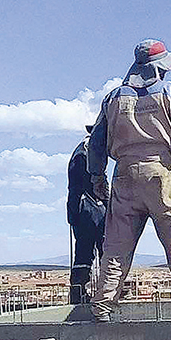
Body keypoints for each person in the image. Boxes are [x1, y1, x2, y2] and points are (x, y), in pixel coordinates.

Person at [87, 39, 171, 322]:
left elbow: (97, 142)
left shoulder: (113, 98)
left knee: (116, 247)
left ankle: (101, 308)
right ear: (161, 68)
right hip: (162, 176)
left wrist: (97, 176)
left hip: (124, 176)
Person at [66, 127, 106, 304]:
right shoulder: (86, 154)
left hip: (82, 208)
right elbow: (96, 184)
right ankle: (106, 291)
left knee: (84, 251)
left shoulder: (81, 151)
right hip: (89, 208)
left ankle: (79, 290)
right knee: (103, 248)